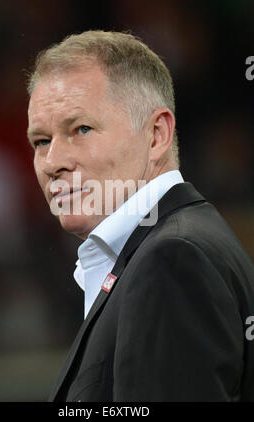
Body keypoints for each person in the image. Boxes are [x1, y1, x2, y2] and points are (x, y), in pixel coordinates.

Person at [27, 30, 254, 401]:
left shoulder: (174, 259)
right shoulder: (167, 248)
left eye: (81, 129)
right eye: (41, 141)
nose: (52, 162)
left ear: (156, 135)